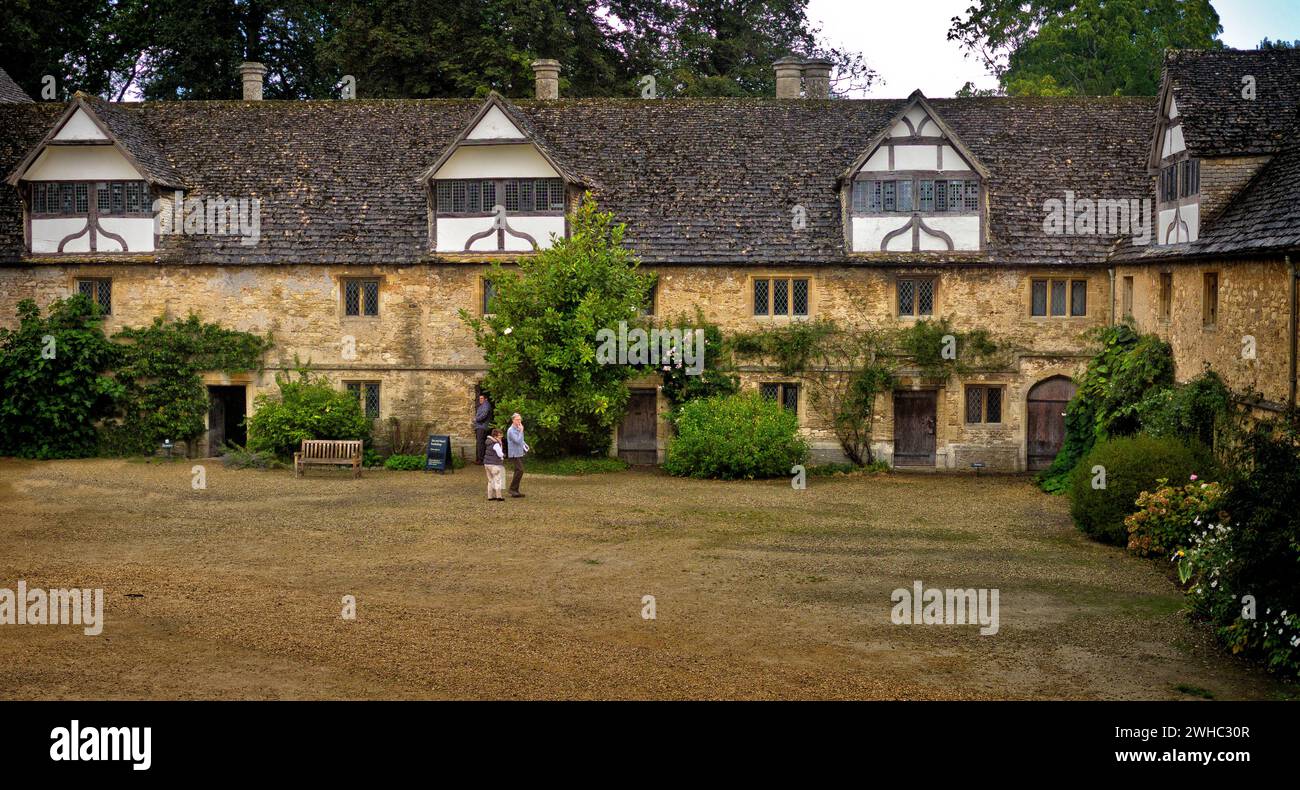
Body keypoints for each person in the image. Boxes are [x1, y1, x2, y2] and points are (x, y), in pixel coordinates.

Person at [506, 412, 529, 498]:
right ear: (513, 420)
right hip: (514, 453)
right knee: (520, 470)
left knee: (518, 470)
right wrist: (521, 431)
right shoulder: (511, 430)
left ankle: (515, 490)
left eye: (520, 419)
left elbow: (521, 441)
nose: (519, 421)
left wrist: (525, 447)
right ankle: (512, 489)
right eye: (517, 419)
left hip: (518, 452)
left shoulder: (517, 428)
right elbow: (517, 440)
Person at [483, 428, 505, 501]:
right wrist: (503, 455)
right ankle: (499, 496)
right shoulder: (496, 444)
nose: (501, 437)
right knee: (497, 480)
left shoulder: (488, 442)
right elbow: (499, 454)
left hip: (487, 463)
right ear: (495, 436)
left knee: (490, 480)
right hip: (494, 464)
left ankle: (490, 496)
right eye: (499, 436)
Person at [472, 393, 493, 465]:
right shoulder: (482, 406)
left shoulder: (486, 405)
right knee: (480, 443)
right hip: (480, 426)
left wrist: (476, 419)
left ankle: (481, 460)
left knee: (480, 443)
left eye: (481, 399)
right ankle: (480, 459)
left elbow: (484, 414)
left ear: (485, 399)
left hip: (482, 427)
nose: (480, 400)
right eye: (479, 399)